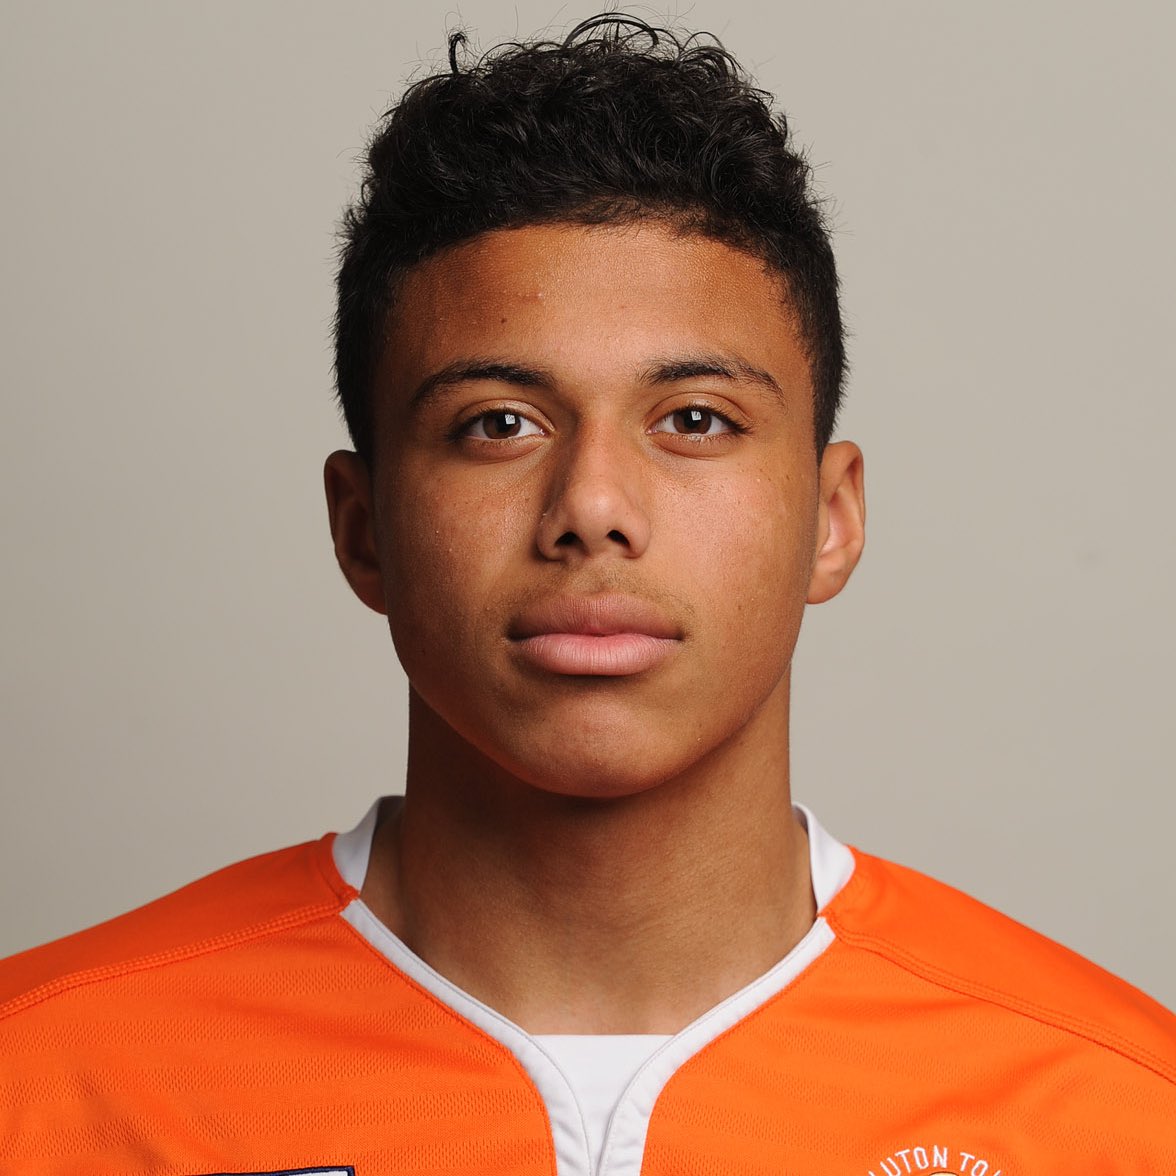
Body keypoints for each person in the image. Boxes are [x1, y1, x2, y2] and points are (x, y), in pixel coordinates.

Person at [1, 13, 1172, 1175]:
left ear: (831, 517)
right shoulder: (44, 1080)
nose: (594, 506)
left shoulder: (1121, 1112)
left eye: (695, 420)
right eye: (498, 424)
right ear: (363, 529)